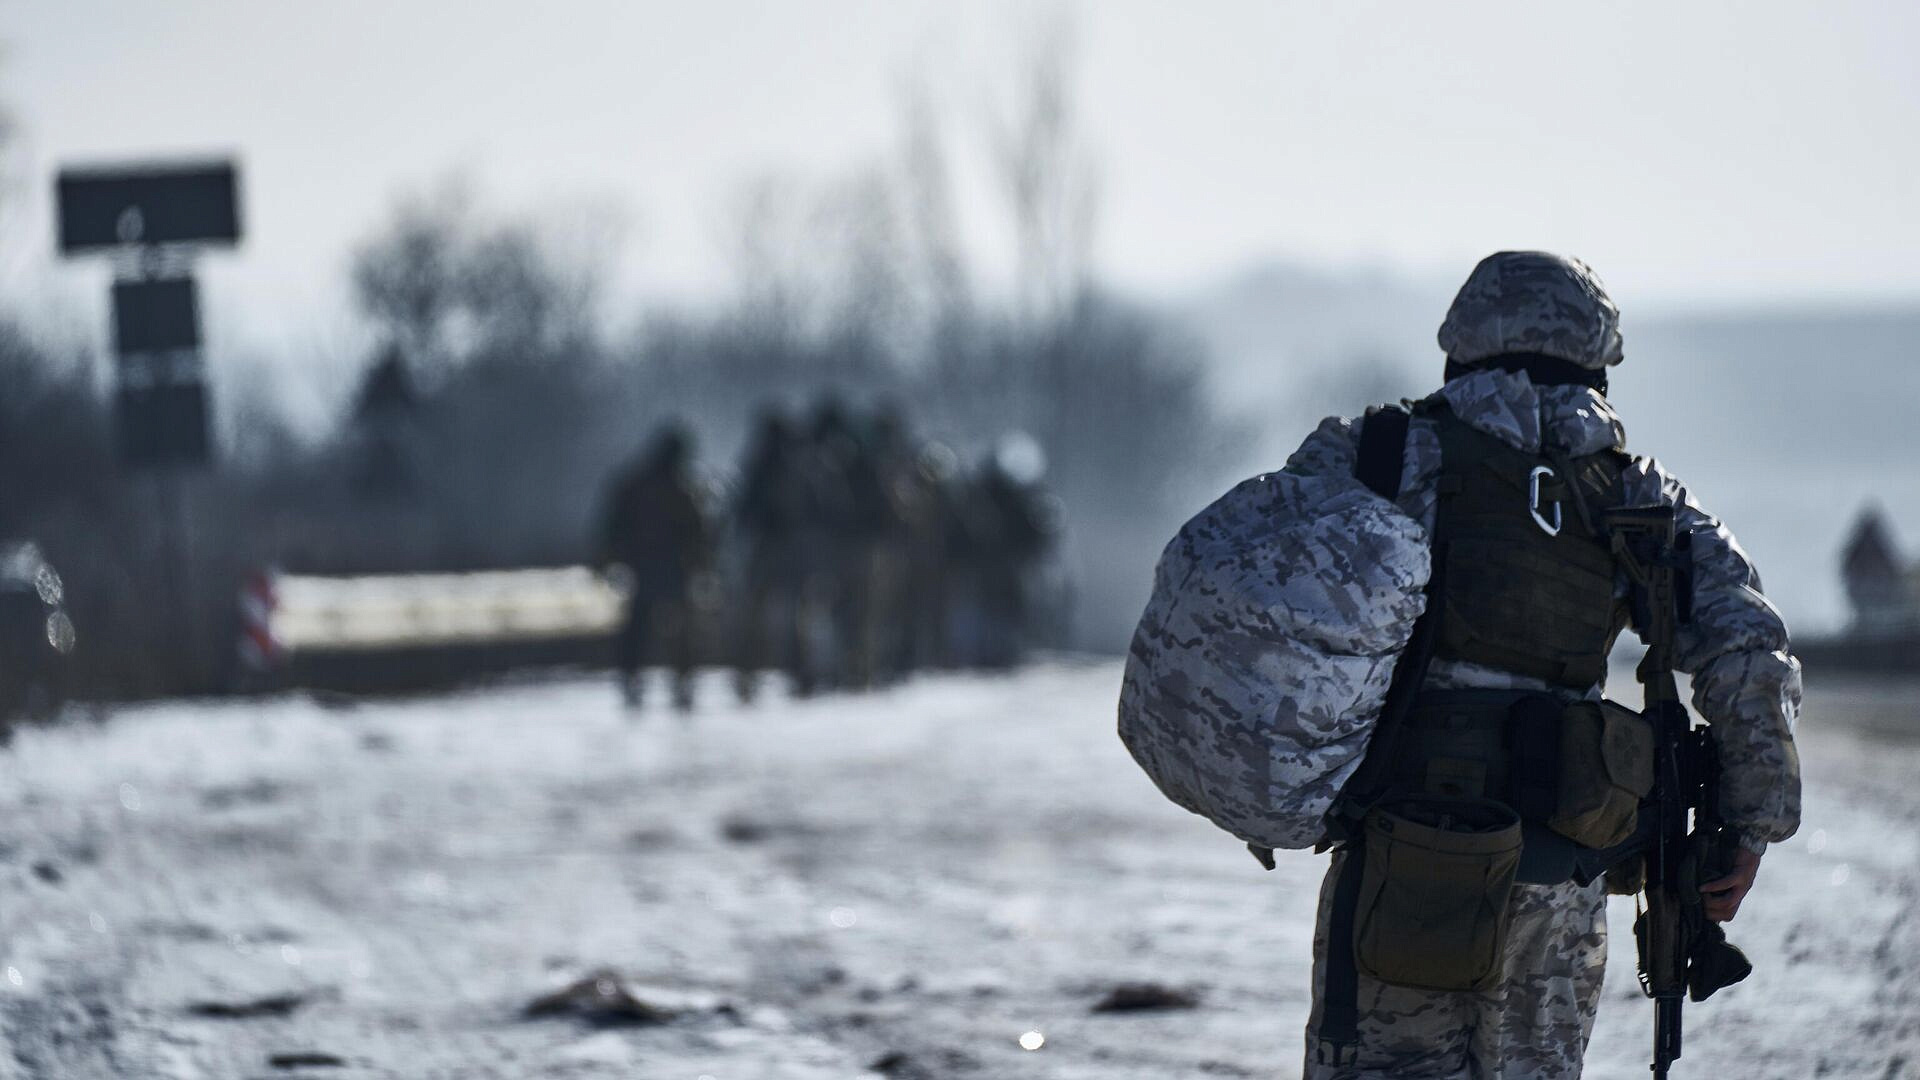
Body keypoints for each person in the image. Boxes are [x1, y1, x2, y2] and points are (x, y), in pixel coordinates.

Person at [1283, 252, 1803, 1078]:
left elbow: (1269, 612)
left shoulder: (1384, 457)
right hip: (1558, 880)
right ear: (1596, 359)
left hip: (1397, 866)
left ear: (1461, 347)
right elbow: (1748, 651)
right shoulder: (1637, 495)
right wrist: (1749, 827)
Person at [596, 425, 713, 710]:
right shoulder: (675, 488)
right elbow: (697, 532)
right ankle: (669, 680)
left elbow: (614, 526)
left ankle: (659, 679)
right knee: (658, 628)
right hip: (659, 567)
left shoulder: (647, 485)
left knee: (652, 628)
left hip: (658, 567)